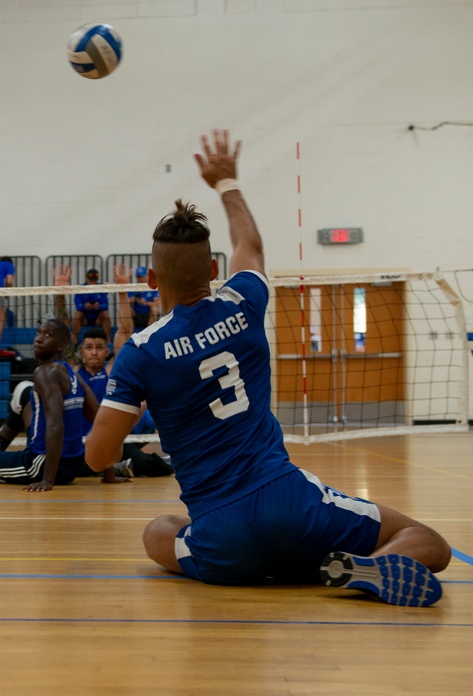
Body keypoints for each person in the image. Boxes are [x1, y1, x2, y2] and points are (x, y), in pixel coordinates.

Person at [85, 130, 450, 606]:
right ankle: (365, 567)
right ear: (214, 271)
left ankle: (263, 558)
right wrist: (226, 183)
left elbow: (97, 458)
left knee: (159, 530)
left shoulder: (140, 352)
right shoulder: (244, 301)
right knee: (429, 543)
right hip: (293, 504)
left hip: (221, 535)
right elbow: (250, 246)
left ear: (152, 279)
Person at [0, 318, 123, 491]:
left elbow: (56, 425)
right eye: (39, 333)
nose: (39, 338)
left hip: (40, 464)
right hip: (72, 466)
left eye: (47, 335)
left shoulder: (45, 372)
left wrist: (46, 480)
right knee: (24, 395)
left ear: (61, 345)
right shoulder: (72, 374)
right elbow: (100, 421)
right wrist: (108, 472)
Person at [56, 263, 174, 480]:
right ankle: (119, 466)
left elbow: (125, 329)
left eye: (99, 348)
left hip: (110, 441)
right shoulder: (72, 370)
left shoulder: (112, 370)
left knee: (154, 468)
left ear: (106, 350)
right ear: (81, 351)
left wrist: (122, 292)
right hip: (79, 446)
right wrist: (60, 293)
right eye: (89, 348)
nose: (93, 353)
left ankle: (144, 460)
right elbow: (61, 328)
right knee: (81, 470)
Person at [72, 268, 111, 343]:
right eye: (91, 280)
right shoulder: (80, 288)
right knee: (77, 314)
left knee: (105, 313)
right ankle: (74, 340)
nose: (93, 282)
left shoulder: (102, 288)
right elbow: (77, 306)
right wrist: (85, 307)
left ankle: (108, 340)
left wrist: (98, 306)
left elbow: (105, 305)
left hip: (98, 318)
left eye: (95, 280)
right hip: (85, 318)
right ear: (87, 279)